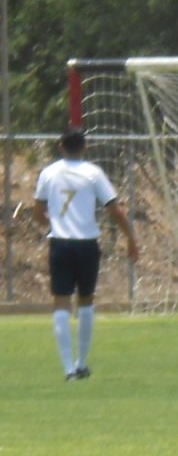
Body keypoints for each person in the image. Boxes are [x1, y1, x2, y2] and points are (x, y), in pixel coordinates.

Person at [33, 130, 139, 381]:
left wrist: (53, 223)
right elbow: (116, 211)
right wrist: (131, 239)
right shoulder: (93, 173)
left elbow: (37, 214)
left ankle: (69, 369)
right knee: (86, 301)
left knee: (61, 302)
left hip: (60, 244)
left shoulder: (48, 173)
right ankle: (81, 363)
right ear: (85, 147)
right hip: (87, 245)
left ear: (60, 146)